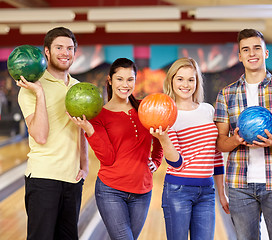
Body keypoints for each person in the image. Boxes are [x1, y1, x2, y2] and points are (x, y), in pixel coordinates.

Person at [214, 28, 272, 240]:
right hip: (240, 185)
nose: (252, 53)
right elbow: (221, 143)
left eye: (257, 48)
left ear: (266, 53)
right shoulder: (226, 94)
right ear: (239, 56)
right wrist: (236, 140)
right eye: (246, 49)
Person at [68, 58, 163, 240]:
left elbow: (159, 134)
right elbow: (107, 158)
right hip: (111, 191)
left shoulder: (145, 107)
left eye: (130, 79)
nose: (125, 85)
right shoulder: (99, 115)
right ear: (110, 80)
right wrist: (89, 129)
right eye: (120, 79)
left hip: (143, 191)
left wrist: (156, 160)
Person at [17, 27, 88, 240]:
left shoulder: (78, 88)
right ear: (46, 51)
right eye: (59, 47)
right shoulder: (30, 86)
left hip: (72, 179)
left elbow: (80, 130)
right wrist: (39, 93)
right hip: (43, 178)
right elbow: (39, 136)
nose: (65, 52)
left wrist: (84, 165)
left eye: (70, 48)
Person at [150, 57, 229, 240]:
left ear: (197, 82)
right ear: (171, 80)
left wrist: (222, 193)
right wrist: (163, 139)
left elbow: (216, 156)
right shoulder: (167, 114)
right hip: (178, 190)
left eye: (191, 79)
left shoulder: (208, 110)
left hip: (207, 192)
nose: (185, 84)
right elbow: (176, 163)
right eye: (180, 79)